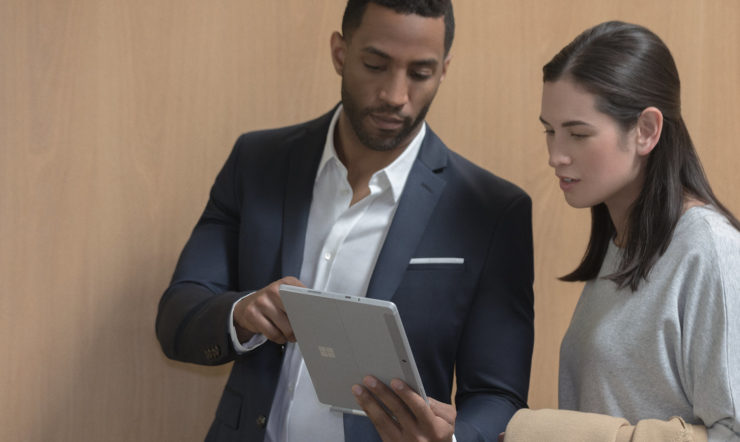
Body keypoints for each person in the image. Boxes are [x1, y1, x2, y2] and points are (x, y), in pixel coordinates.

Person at [156, 1, 535, 441]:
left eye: (420, 73)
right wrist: (242, 312)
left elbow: (498, 397)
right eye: (375, 64)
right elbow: (177, 316)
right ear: (340, 52)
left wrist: (448, 441)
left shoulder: (491, 210)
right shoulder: (257, 162)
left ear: (445, 69)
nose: (395, 95)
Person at [502, 21, 740, 442]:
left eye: (578, 134)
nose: (556, 155)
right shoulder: (620, 246)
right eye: (550, 130)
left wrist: (538, 432)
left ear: (647, 130)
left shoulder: (709, 249)